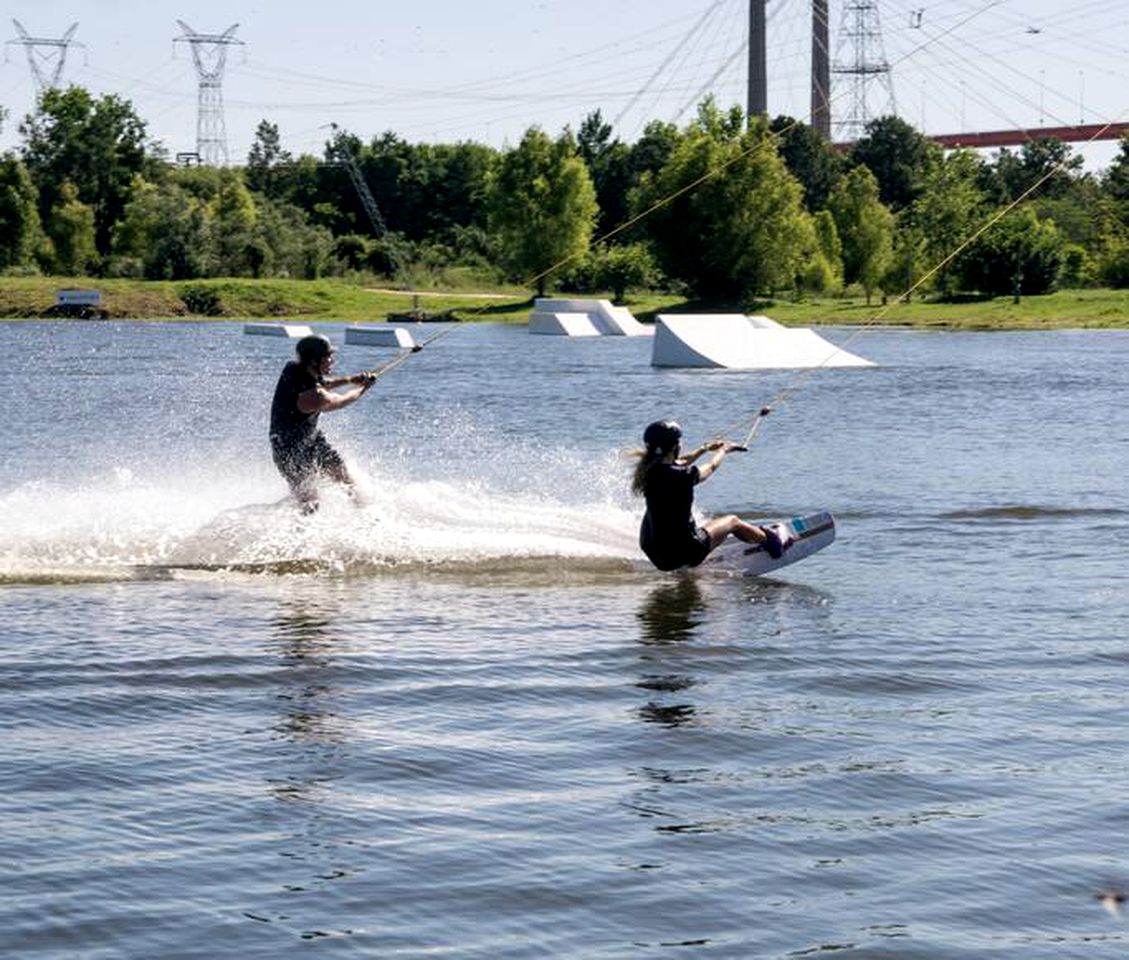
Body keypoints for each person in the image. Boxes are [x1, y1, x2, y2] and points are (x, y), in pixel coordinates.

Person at [632, 419, 792, 572]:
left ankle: (686, 551)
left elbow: (682, 461)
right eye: (679, 442)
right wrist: (724, 450)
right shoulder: (683, 476)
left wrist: (705, 448)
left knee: (670, 513)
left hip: (656, 555)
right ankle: (773, 542)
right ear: (675, 446)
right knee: (733, 521)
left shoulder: (648, 470)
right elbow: (711, 467)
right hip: (685, 553)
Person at [269, 333, 376, 512]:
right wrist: (363, 388)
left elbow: (322, 382)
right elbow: (341, 401)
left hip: (311, 440)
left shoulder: (294, 368)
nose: (332, 360)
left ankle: (365, 516)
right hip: (289, 452)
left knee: (345, 478)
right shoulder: (316, 398)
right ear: (313, 362)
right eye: (328, 357)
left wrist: (350, 379)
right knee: (310, 504)